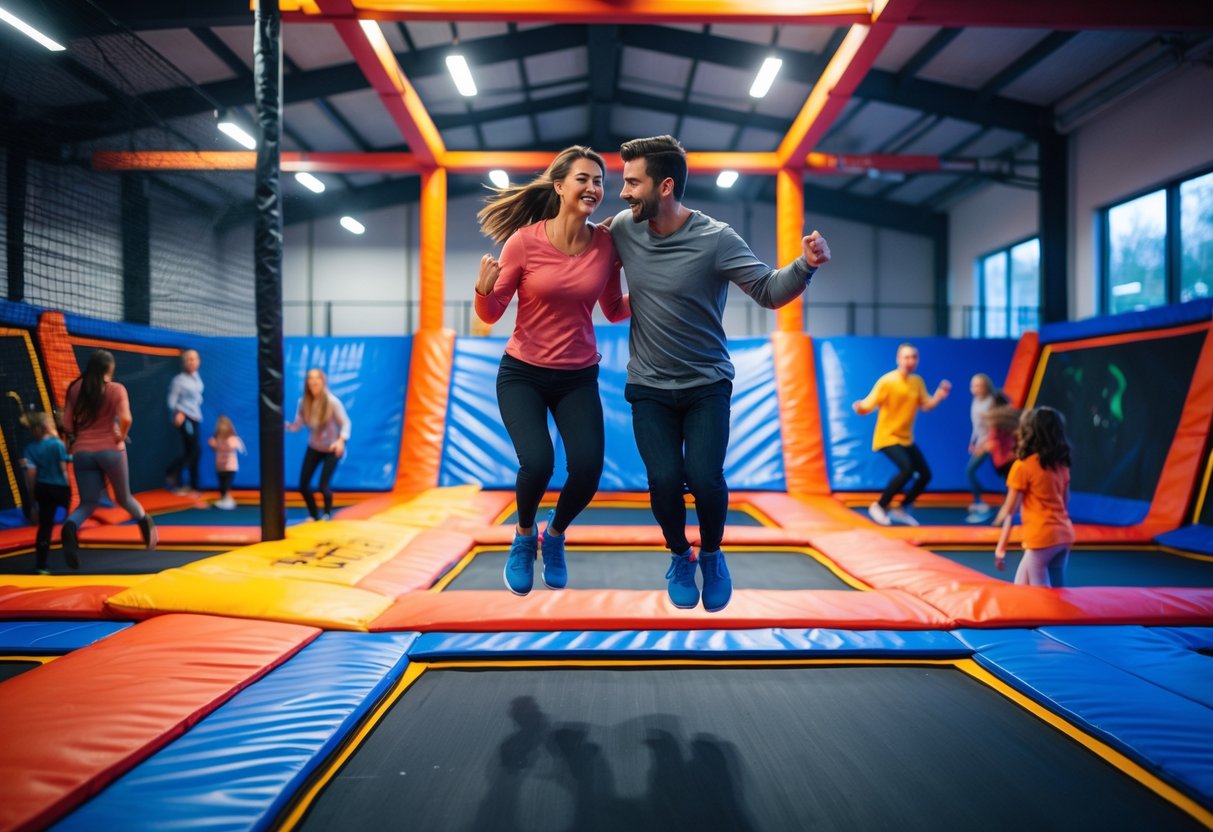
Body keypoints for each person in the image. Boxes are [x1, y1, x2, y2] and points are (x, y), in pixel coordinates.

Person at [607, 135, 831, 613]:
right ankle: (679, 554)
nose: (623, 192)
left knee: (705, 478)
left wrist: (806, 266)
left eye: (632, 182)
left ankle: (711, 553)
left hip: (706, 384)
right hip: (648, 385)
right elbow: (580, 247)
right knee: (664, 481)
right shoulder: (624, 228)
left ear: (665, 186)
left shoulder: (716, 238)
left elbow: (768, 291)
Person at [476, 145, 629, 596]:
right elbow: (491, 313)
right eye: (583, 179)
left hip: (577, 375)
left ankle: (555, 534)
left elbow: (615, 308)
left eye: (599, 181)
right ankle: (524, 536)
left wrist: (662, 294)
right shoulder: (524, 241)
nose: (593, 188)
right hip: (522, 372)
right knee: (539, 462)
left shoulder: (606, 245)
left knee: (587, 470)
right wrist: (483, 291)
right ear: (560, 186)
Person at [60, 349, 157, 564]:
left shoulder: (75, 388)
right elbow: (126, 418)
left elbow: (66, 424)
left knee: (87, 503)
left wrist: (79, 436)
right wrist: (121, 435)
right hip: (111, 451)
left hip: (82, 452)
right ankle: (146, 526)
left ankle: (70, 527)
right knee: (124, 498)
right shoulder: (116, 389)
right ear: (109, 369)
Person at [852, 343, 951, 527]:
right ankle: (879, 506)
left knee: (925, 475)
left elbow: (926, 405)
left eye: (914, 357)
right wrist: (860, 408)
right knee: (907, 469)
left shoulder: (917, 382)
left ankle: (901, 508)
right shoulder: (887, 381)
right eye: (906, 357)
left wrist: (939, 395)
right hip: (887, 437)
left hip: (906, 438)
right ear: (898, 359)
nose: (910, 361)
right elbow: (869, 403)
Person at [992, 406, 1075, 587]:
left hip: (1042, 539)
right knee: (1025, 587)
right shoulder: (1061, 465)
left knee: (1041, 597)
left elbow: (1009, 511)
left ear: (1028, 432)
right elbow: (1065, 504)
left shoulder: (1023, 466)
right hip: (1064, 536)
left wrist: (1001, 547)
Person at [285, 368, 350, 521]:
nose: (314, 381)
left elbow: (346, 423)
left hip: (331, 448)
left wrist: (341, 441)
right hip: (315, 447)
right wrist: (282, 425)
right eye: (310, 378)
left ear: (323, 381)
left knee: (323, 486)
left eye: (317, 378)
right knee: (303, 485)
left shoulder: (332, 402)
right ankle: (314, 515)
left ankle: (327, 514)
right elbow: (297, 425)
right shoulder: (303, 403)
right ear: (307, 383)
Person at [20, 412, 72, 573]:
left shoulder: (30, 449)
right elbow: (64, 468)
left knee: (45, 527)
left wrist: (33, 502)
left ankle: (41, 565)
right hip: (60, 487)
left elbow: (31, 476)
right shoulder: (56, 444)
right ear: (45, 427)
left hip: (42, 489)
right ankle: (71, 544)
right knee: (72, 518)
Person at [964, 373, 1009, 523]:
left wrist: (984, 445)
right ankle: (980, 502)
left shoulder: (993, 402)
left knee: (1003, 472)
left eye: (977, 385)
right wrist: (973, 441)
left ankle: (1013, 502)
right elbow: (976, 426)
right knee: (971, 471)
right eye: (972, 385)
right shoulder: (976, 401)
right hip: (983, 442)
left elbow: (994, 427)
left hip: (993, 442)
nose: (974, 389)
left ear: (985, 387)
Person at [165, 348, 203, 496]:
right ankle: (171, 472)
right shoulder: (179, 380)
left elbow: (197, 398)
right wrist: (178, 412)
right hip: (184, 417)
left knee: (192, 452)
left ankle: (193, 487)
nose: (192, 362)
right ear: (184, 362)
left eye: (195, 359)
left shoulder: (197, 377)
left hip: (195, 418)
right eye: (189, 359)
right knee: (194, 451)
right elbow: (171, 401)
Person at [208, 415, 245, 510]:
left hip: (230, 466)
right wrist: (213, 445)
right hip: (220, 465)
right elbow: (214, 447)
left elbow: (239, 446)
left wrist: (235, 444)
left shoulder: (232, 437)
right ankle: (223, 498)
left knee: (226, 484)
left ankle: (227, 499)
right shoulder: (216, 437)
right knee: (222, 484)